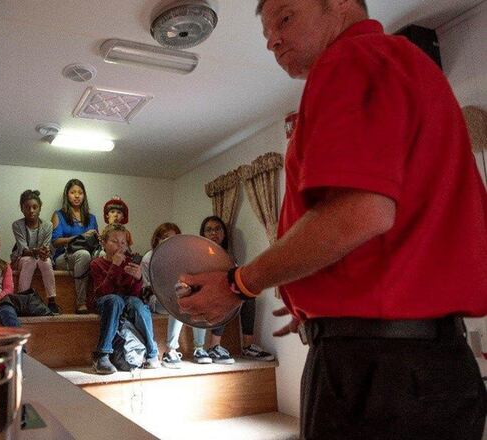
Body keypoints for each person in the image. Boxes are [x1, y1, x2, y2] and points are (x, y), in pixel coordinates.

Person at [179, 1, 487, 438]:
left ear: (342, 4)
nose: (275, 41)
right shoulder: (411, 68)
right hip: (434, 367)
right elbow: (395, 224)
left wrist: (239, 283)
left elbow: (362, 212)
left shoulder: (350, 58)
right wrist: (313, 289)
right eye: (268, 38)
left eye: (285, 19)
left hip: (375, 373)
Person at [200, 216, 274, 363]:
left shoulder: (228, 256)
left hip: (224, 292)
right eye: (209, 230)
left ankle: (247, 346)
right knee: (226, 295)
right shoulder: (199, 254)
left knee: (248, 294)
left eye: (217, 229)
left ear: (224, 233)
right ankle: (214, 346)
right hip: (206, 295)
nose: (214, 233)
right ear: (203, 234)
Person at [89, 224, 161, 374]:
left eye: (123, 242)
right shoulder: (97, 263)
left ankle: (152, 353)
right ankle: (102, 354)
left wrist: (138, 278)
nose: (119, 246)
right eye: (114, 241)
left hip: (126, 300)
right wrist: (114, 266)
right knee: (115, 300)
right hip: (106, 301)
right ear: (104, 243)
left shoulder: (129, 262)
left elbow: (134, 295)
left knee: (138, 304)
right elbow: (103, 292)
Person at [141, 223, 213, 368]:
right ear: (157, 239)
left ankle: (199, 349)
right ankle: (170, 350)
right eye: (165, 237)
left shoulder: (180, 258)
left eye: (173, 238)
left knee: (195, 299)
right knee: (177, 301)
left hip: (176, 296)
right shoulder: (148, 258)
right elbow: (146, 288)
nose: (168, 241)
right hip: (155, 299)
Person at [52, 179, 99, 314]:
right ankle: (81, 303)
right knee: (83, 254)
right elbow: (55, 241)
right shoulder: (58, 215)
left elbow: (97, 243)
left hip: (89, 254)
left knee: (101, 256)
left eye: (80, 193)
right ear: (67, 195)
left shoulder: (92, 218)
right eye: (73, 192)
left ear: (84, 195)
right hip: (65, 256)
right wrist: (81, 237)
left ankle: (102, 299)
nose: (77, 196)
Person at [11, 190, 60, 314]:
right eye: (27, 207)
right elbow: (23, 249)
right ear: (22, 209)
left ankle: (52, 301)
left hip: (41, 257)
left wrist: (44, 252)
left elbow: (46, 247)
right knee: (29, 260)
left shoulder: (48, 225)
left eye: (34, 207)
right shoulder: (17, 225)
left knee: (46, 261)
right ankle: (23, 300)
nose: (31, 210)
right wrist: (37, 252)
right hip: (22, 258)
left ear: (40, 208)